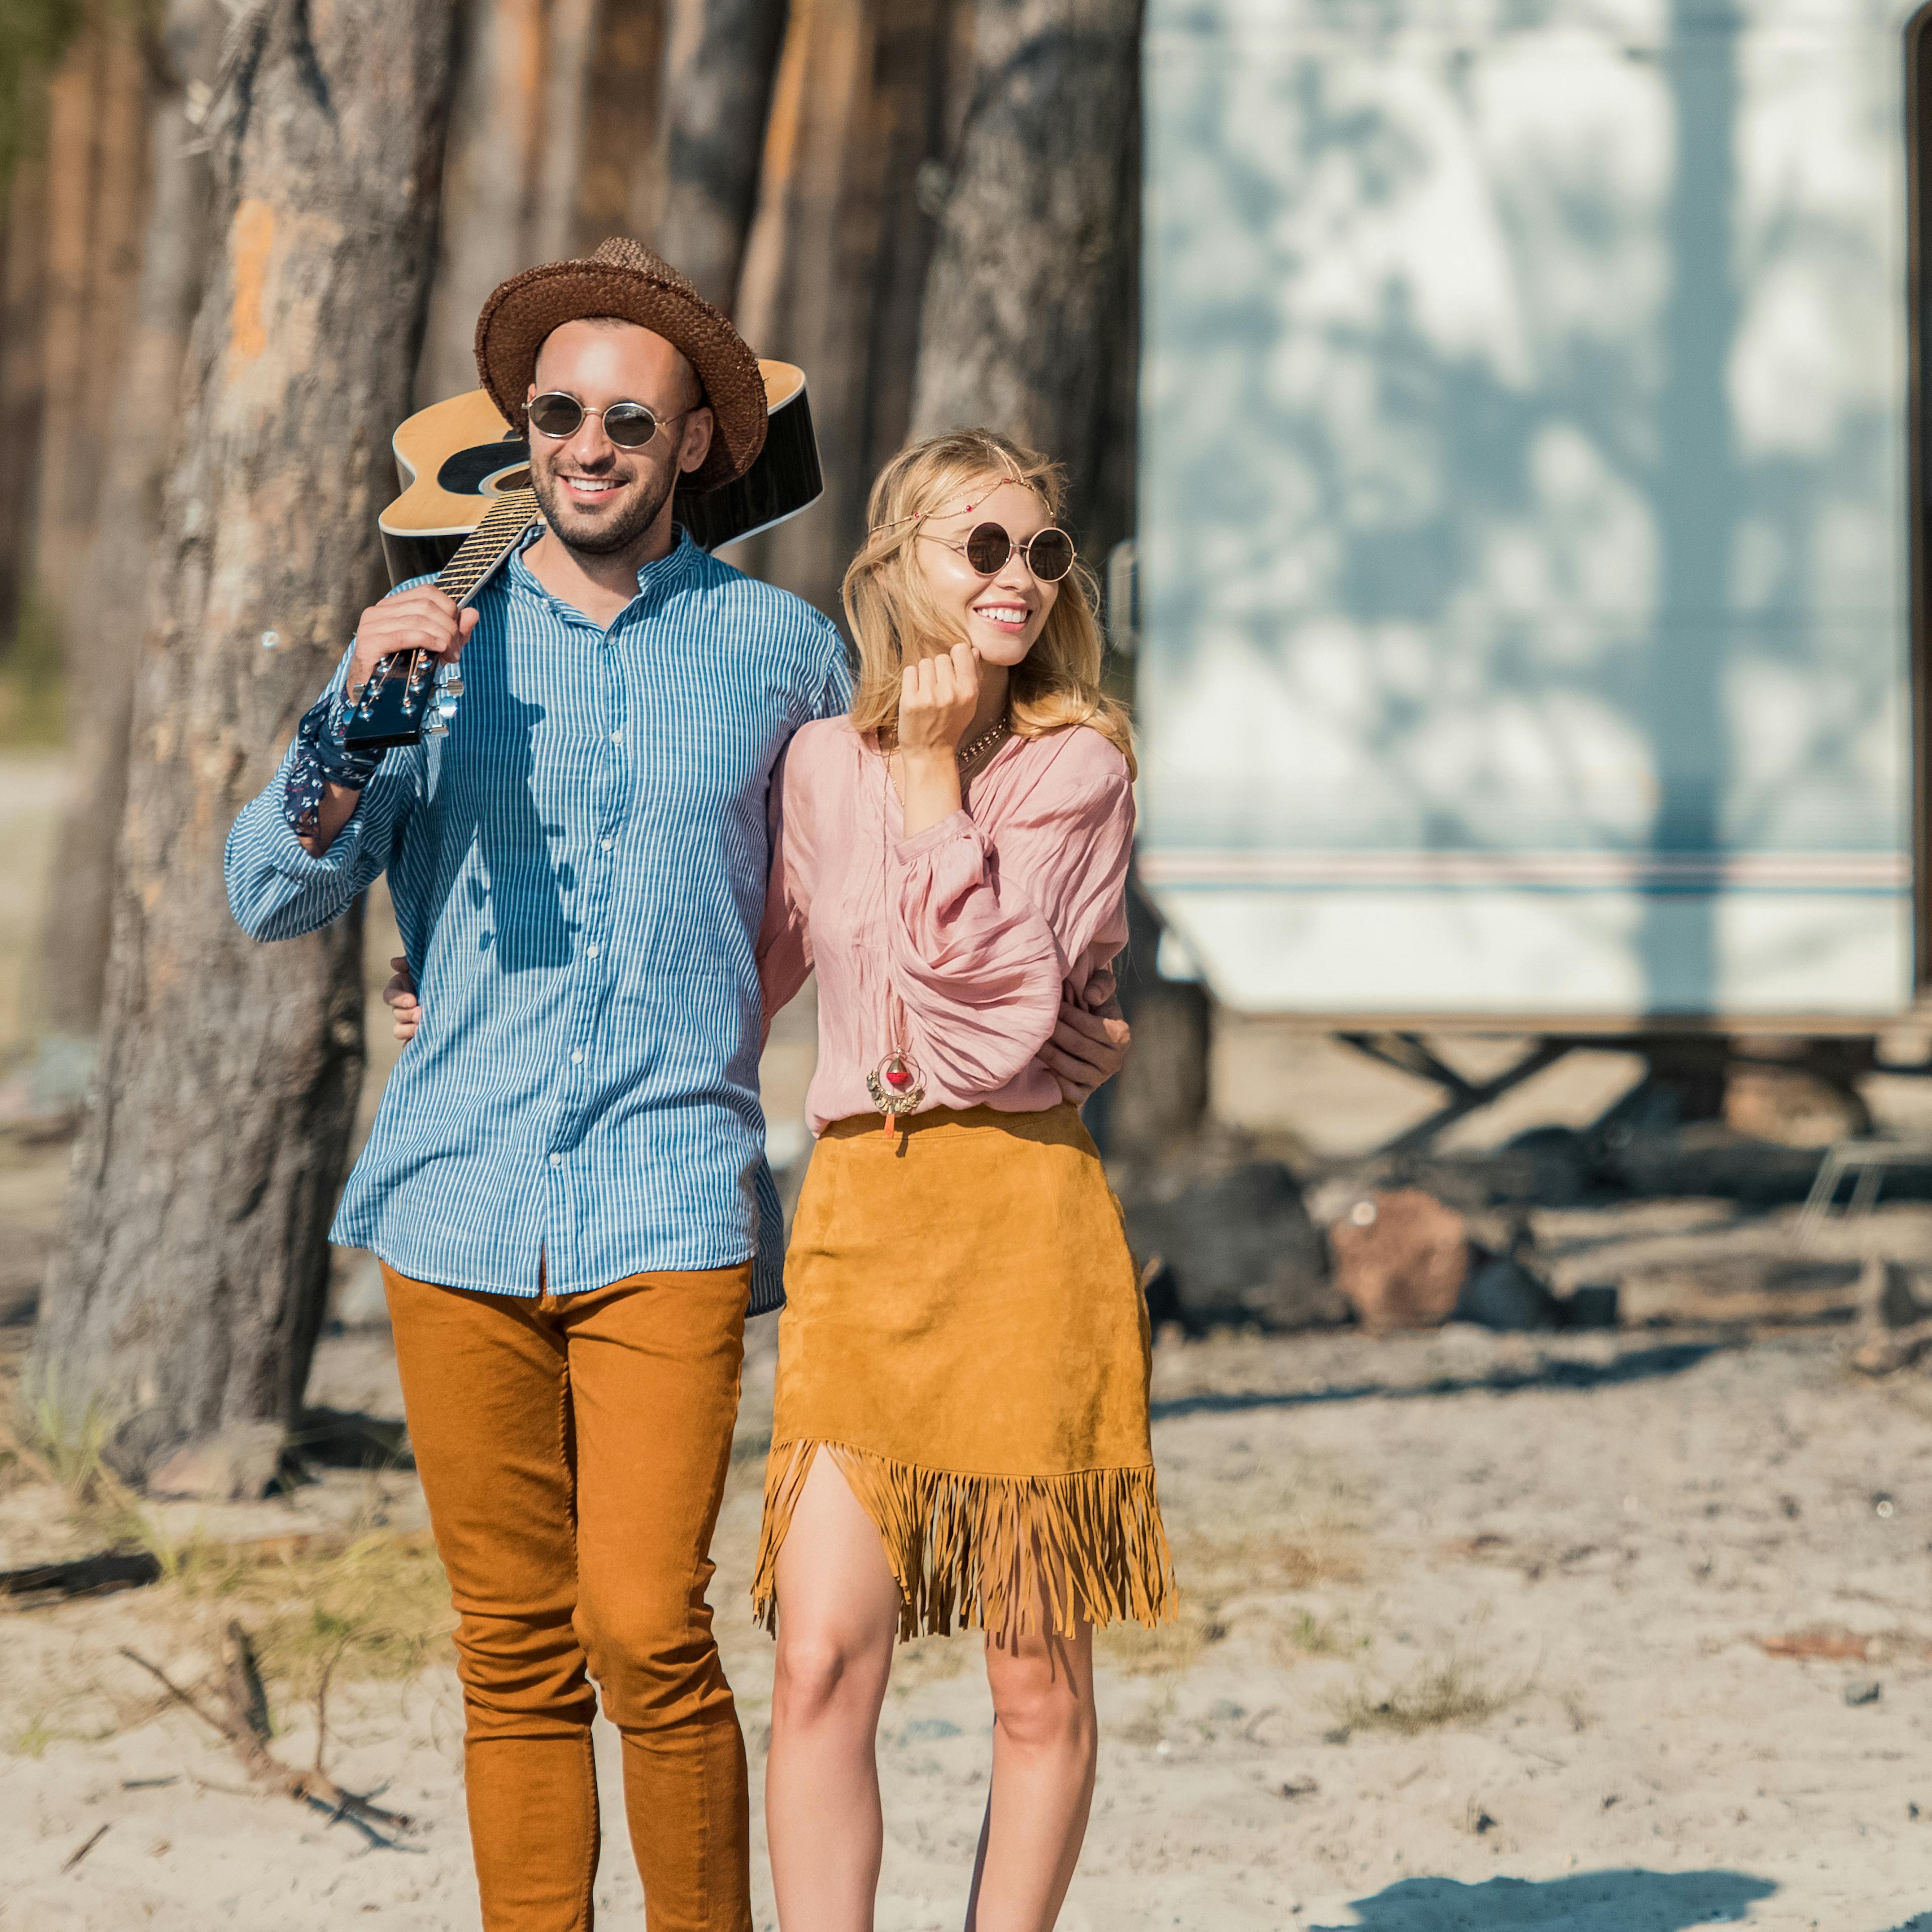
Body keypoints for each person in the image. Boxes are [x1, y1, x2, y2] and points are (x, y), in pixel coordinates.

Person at [224, 239, 1129, 1932]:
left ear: (694, 444)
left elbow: (870, 864)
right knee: (509, 1647)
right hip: (456, 1192)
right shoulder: (431, 649)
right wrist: (348, 723)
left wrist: (1079, 994)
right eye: (556, 413)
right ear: (520, 433)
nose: (588, 444)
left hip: (672, 1193)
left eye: (627, 421)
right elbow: (268, 894)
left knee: (648, 1621)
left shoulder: (783, 658)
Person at [750, 428, 1174, 1932]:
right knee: (816, 1662)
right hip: (861, 1223)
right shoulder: (814, 766)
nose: (1017, 579)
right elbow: (736, 977)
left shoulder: (1074, 767)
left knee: (1034, 1681)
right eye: (979, 547)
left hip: (1021, 1229)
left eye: (1041, 552)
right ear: (899, 569)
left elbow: (998, 1037)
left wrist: (935, 781)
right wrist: (460, 983)